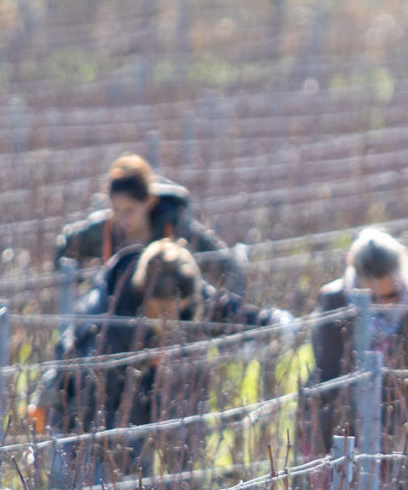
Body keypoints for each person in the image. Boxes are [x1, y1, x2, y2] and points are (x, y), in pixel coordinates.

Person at [41, 238, 291, 458]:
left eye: (177, 309)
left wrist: (267, 322)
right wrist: (126, 453)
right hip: (81, 432)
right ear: (144, 294)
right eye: (162, 310)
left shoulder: (176, 285)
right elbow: (92, 408)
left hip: (139, 414)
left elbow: (219, 309)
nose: (170, 319)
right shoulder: (108, 326)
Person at [307, 227, 408, 451]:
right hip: (343, 426)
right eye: (371, 298)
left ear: (407, 268)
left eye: (392, 295)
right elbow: (328, 371)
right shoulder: (334, 301)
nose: (384, 304)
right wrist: (361, 421)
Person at [52, 152, 244, 295]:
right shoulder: (104, 230)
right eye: (117, 210)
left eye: (130, 211)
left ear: (150, 202)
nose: (123, 219)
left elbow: (224, 263)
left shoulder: (174, 227)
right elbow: (66, 244)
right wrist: (74, 288)